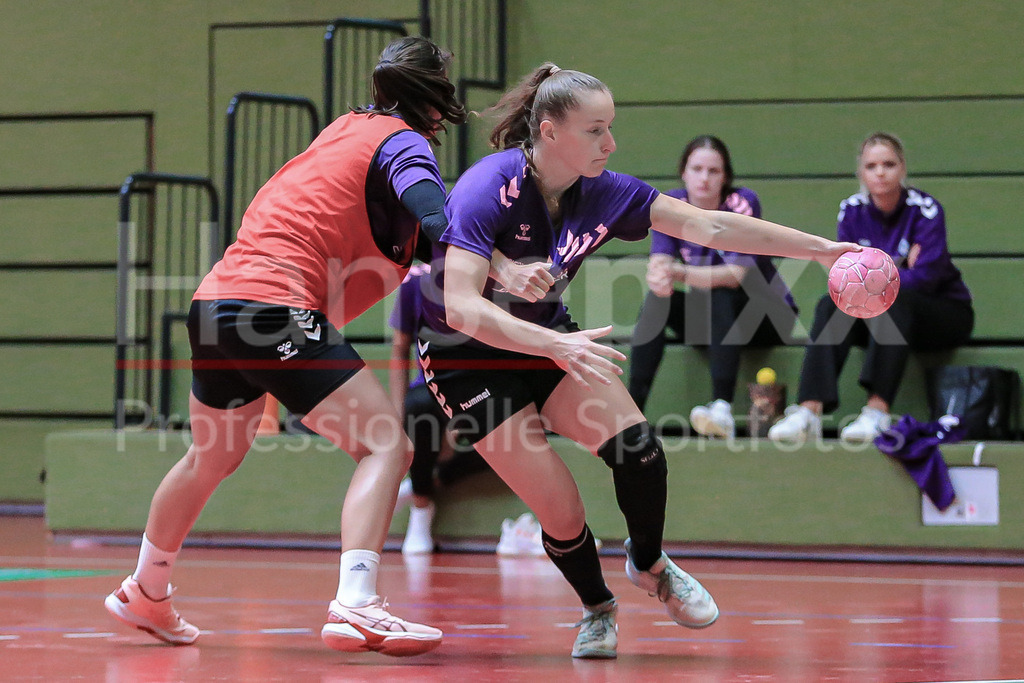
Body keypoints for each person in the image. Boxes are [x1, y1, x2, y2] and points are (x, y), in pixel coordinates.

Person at [415, 63, 858, 659]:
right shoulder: (486, 187)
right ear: (550, 132)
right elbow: (461, 306)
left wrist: (821, 250)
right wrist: (552, 344)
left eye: (611, 128)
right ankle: (597, 609)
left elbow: (710, 225)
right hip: (465, 360)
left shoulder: (605, 192)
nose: (610, 143)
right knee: (560, 504)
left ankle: (648, 564)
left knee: (639, 450)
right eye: (596, 130)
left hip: (547, 339)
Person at [102, 36, 471, 657]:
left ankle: (146, 588)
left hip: (216, 308)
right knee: (387, 444)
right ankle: (357, 602)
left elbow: (409, 236)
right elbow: (436, 220)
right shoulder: (405, 145)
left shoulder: (344, 133)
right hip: (275, 309)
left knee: (210, 457)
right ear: (434, 100)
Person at [768, 132, 974, 444]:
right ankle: (809, 410)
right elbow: (845, 274)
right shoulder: (851, 210)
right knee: (831, 304)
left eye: (889, 164)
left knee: (896, 297)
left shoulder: (926, 209)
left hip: (943, 313)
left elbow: (928, 276)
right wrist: (898, 269)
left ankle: (877, 411)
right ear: (861, 172)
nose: (880, 172)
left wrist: (877, 279)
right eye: (872, 165)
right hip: (883, 313)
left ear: (902, 168)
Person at [629, 135, 799, 438]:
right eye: (696, 169)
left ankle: (722, 408)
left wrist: (676, 272)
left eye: (713, 171)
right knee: (657, 301)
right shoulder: (671, 205)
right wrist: (659, 276)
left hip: (768, 316)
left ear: (725, 177)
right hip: (714, 321)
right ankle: (630, 415)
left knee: (720, 289)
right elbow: (659, 263)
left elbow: (735, 275)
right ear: (684, 172)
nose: (704, 178)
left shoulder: (741, 202)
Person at [388, 264, 490, 554]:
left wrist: (458, 422)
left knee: (518, 431)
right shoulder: (416, 280)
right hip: (431, 387)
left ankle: (426, 483)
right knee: (417, 410)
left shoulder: (490, 276)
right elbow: (400, 348)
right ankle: (421, 507)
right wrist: (398, 417)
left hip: (483, 387)